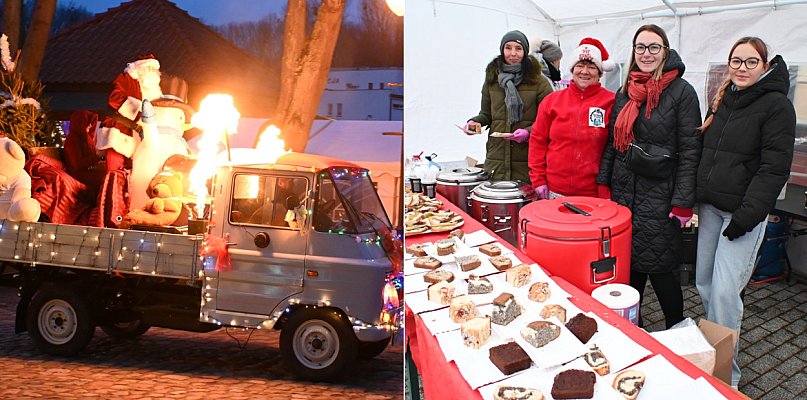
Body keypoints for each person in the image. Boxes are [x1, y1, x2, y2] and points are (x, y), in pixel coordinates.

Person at [695, 37, 795, 387]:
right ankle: (713, 352)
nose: (741, 68)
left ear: (764, 66)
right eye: (736, 61)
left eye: (750, 62)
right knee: (704, 284)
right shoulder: (723, 98)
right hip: (709, 209)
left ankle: (725, 377)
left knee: (725, 293)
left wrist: (746, 217)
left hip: (741, 216)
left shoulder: (776, 106)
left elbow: (774, 168)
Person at [596, 24, 702, 329]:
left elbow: (691, 150)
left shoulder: (682, 92)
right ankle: (633, 329)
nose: (646, 53)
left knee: (661, 266)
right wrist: (604, 185)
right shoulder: (624, 90)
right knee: (629, 266)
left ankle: (677, 330)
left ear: (665, 52)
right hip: (623, 190)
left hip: (660, 193)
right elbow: (612, 144)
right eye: (640, 47)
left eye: (654, 47)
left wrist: (683, 202)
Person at [528, 37, 615, 199]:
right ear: (572, 69)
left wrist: (607, 188)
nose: (585, 71)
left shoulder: (611, 102)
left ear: (600, 73)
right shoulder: (552, 101)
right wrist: (538, 179)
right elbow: (538, 141)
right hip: (555, 190)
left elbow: (615, 150)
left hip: (593, 193)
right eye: (580, 65)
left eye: (591, 67)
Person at [463, 30, 553, 182]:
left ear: (525, 51)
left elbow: (549, 119)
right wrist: (475, 122)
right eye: (508, 48)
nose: (513, 53)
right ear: (502, 50)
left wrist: (528, 132)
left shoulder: (539, 81)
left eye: (518, 49)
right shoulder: (492, 79)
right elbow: (486, 114)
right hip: (497, 157)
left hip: (528, 159)